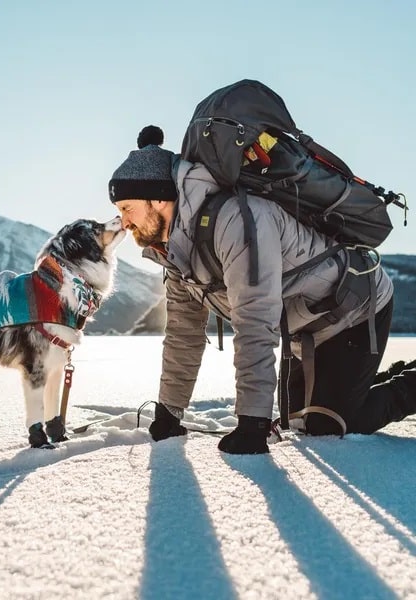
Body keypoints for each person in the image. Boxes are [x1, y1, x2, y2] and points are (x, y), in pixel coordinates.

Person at [108, 125, 416, 454]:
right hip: (304, 327)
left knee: (329, 426)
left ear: (158, 198)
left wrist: (252, 422)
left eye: (127, 208)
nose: (124, 222)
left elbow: (255, 319)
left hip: (351, 308)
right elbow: (184, 332)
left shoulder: (237, 220)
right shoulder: (174, 253)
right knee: (296, 423)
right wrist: (169, 411)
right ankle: (363, 380)